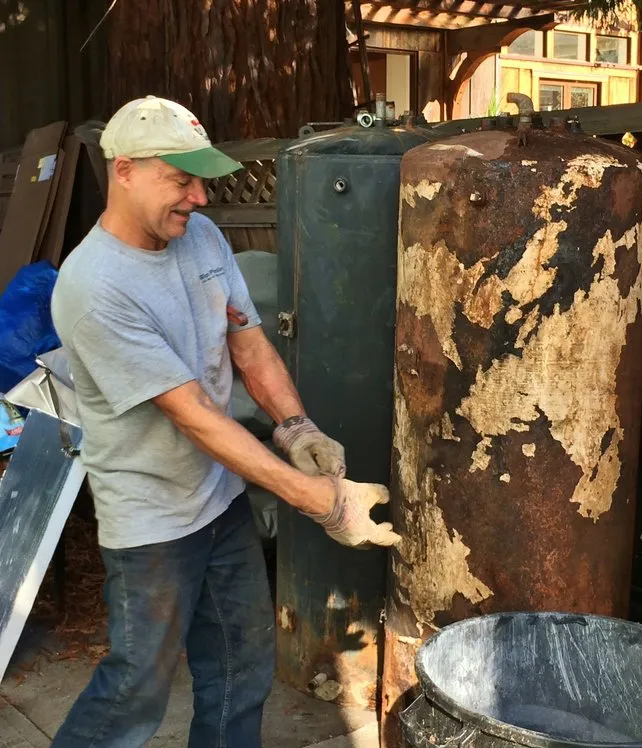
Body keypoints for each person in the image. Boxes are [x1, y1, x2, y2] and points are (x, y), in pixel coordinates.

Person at [49, 95, 400, 748]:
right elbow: (195, 417)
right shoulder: (92, 287)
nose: (200, 199)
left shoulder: (201, 238)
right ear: (124, 171)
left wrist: (296, 426)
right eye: (181, 180)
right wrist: (323, 502)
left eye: (201, 180)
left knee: (243, 668)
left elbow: (246, 341)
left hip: (220, 500)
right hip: (151, 523)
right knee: (136, 691)